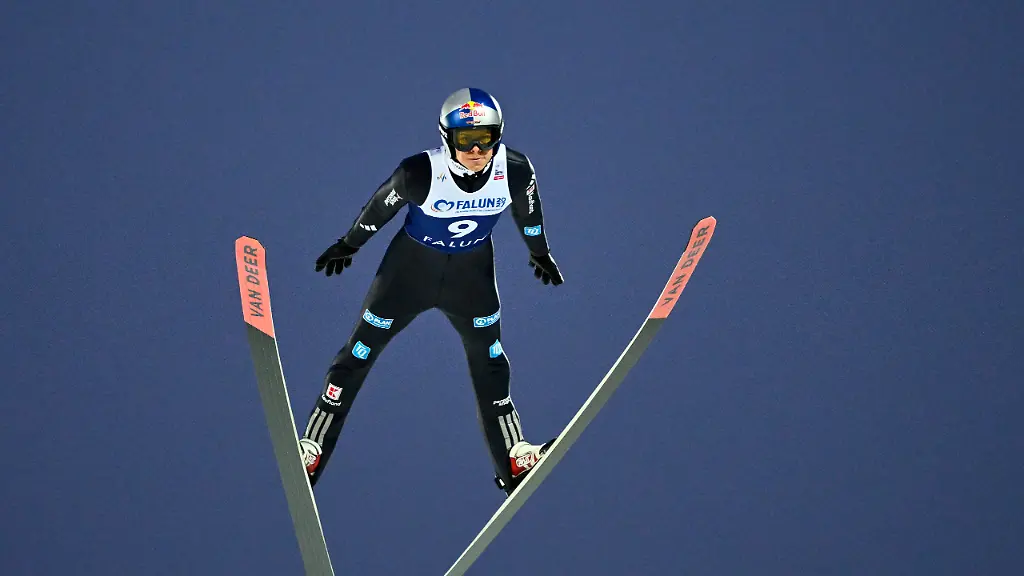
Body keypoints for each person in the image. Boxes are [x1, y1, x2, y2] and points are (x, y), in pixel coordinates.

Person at [299, 87, 563, 497]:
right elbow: (379, 209)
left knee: (491, 360)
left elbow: (528, 213)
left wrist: (540, 253)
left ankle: (512, 458)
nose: (477, 149)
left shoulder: (514, 170)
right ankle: (313, 447)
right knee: (358, 353)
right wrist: (349, 244)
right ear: (447, 138)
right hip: (408, 275)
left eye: (486, 138)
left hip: (470, 279)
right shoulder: (419, 172)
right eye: (465, 140)